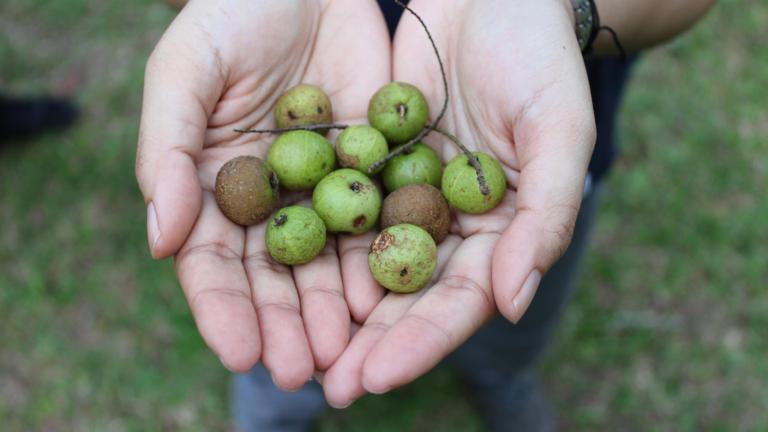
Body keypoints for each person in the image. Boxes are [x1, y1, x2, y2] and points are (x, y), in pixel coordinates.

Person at [135, 0, 715, 430]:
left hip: (513, 124)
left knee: (517, 285)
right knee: (277, 346)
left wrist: (561, 7)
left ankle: (500, 376)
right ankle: (277, 410)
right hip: (305, 49)